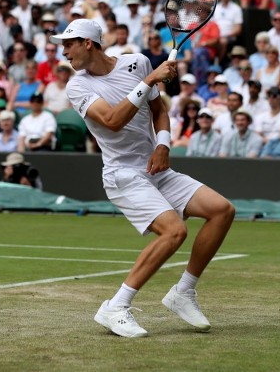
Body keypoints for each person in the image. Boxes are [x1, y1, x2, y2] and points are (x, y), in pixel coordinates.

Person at [50, 18, 235, 338]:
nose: (64, 52)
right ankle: (115, 307)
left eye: (68, 44)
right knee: (174, 232)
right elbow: (111, 121)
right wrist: (150, 79)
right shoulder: (77, 85)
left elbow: (159, 111)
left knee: (222, 211)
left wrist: (163, 145)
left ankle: (183, 292)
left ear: (88, 43)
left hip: (155, 169)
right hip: (122, 174)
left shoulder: (136, 63)